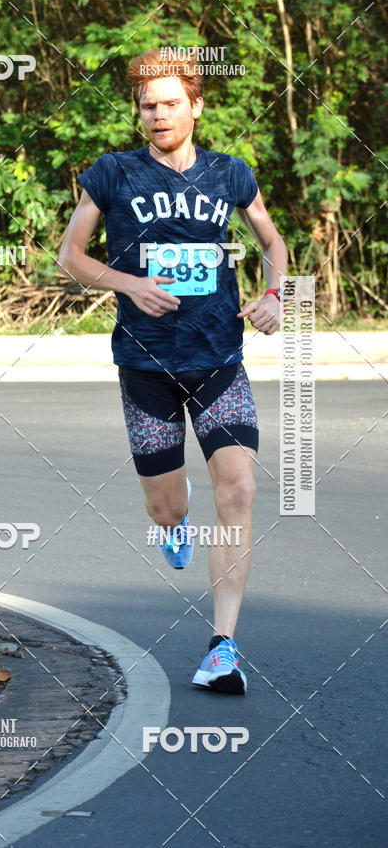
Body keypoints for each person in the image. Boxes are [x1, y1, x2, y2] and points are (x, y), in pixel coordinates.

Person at [58, 49, 287, 695]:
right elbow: (71, 256)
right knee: (167, 508)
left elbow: (272, 241)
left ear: (196, 107)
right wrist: (130, 283)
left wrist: (276, 295)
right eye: (147, 106)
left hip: (219, 360)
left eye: (170, 103)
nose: (158, 114)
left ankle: (223, 648)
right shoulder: (112, 173)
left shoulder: (230, 173)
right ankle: (174, 521)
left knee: (238, 489)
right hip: (146, 364)